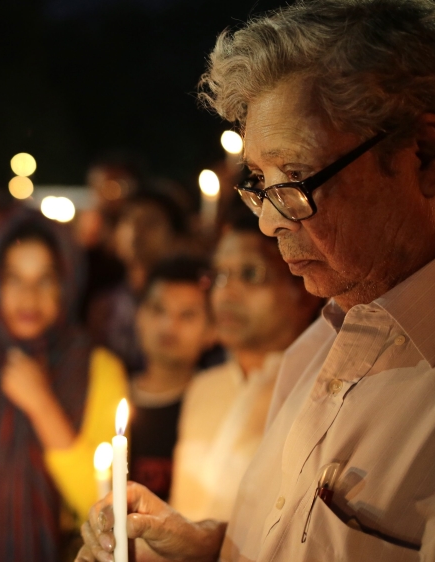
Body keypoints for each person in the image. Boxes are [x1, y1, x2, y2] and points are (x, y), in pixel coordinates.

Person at [77, 1, 435, 560]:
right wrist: (207, 547)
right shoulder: (327, 335)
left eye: (296, 178)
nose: (269, 221)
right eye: (259, 182)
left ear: (424, 156)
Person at [0, 212, 128, 562]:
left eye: (45, 280)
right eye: (14, 280)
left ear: (67, 286)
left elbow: (108, 506)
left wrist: (42, 406)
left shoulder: (99, 370)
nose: (29, 296)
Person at [169, 209, 319, 522]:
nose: (227, 292)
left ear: (304, 290)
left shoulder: (320, 393)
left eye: (250, 274)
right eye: (220, 275)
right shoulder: (203, 387)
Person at [128, 255, 217, 502]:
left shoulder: (218, 406)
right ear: (139, 316)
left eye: (187, 315)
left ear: (212, 330)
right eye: (158, 309)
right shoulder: (108, 393)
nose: (169, 325)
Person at [87, 189, 190, 373]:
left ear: (175, 238)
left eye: (150, 223)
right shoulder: (104, 306)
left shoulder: (187, 303)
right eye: (129, 220)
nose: (136, 230)